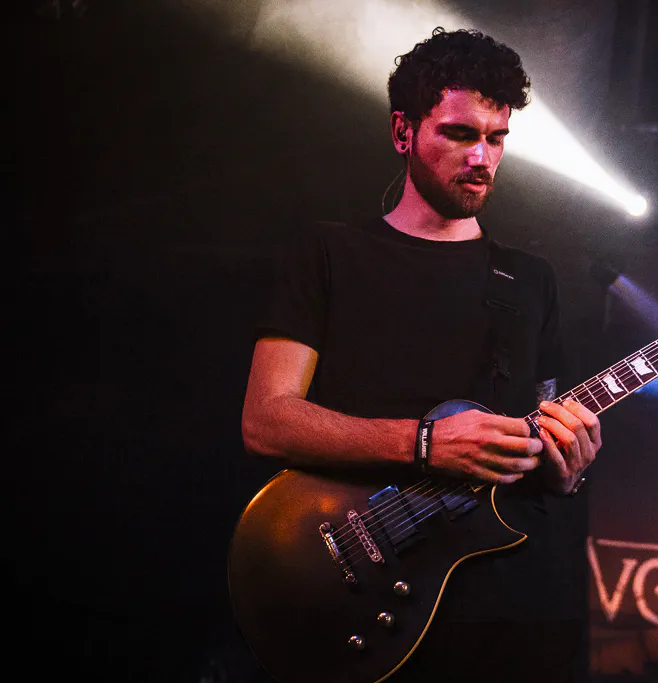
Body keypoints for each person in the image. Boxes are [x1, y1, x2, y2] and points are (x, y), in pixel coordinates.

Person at [240, 27, 601, 683]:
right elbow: (267, 420)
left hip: (500, 616)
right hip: (353, 586)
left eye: (496, 138)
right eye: (460, 134)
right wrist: (425, 443)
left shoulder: (530, 280)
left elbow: (543, 434)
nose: (482, 157)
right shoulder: (329, 254)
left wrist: (566, 465)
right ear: (403, 131)